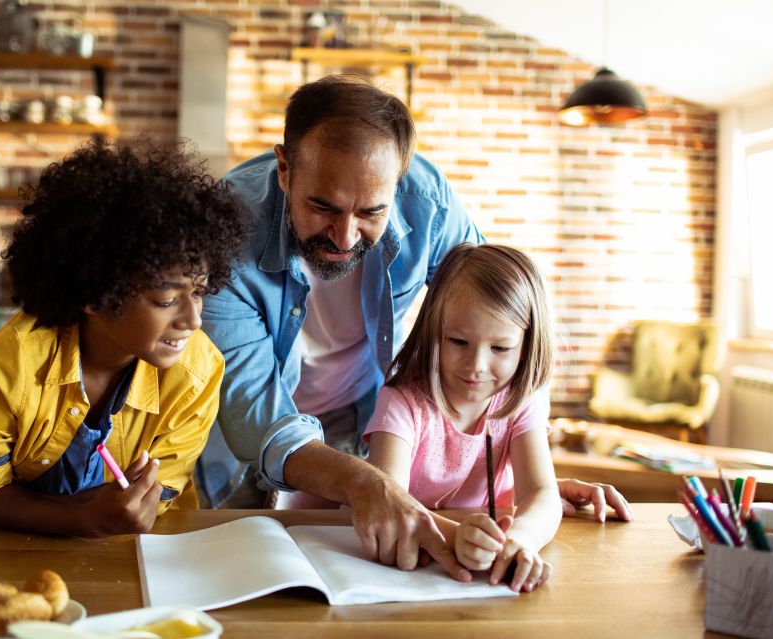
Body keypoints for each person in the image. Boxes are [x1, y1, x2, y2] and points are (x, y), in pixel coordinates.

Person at [198, 75, 631, 579]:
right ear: (285, 169)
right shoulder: (226, 229)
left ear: (398, 183)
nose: (344, 236)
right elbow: (257, 419)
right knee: (243, 572)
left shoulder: (430, 204)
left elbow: (500, 310)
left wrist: (533, 486)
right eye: (323, 207)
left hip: (364, 411)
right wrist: (368, 485)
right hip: (250, 436)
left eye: (371, 212)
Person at [0, 139, 249, 536]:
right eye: (165, 299)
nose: (193, 320)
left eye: (198, 291)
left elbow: (153, 502)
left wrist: (17, 499)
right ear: (94, 294)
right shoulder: (10, 363)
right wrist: (83, 517)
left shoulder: (197, 372)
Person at [365, 242, 562, 593]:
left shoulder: (521, 402)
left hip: (481, 579)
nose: (476, 366)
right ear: (433, 332)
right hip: (408, 578)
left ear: (528, 344)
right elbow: (390, 503)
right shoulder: (401, 403)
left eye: (500, 348)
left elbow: (542, 494)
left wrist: (521, 539)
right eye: (458, 341)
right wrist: (456, 537)